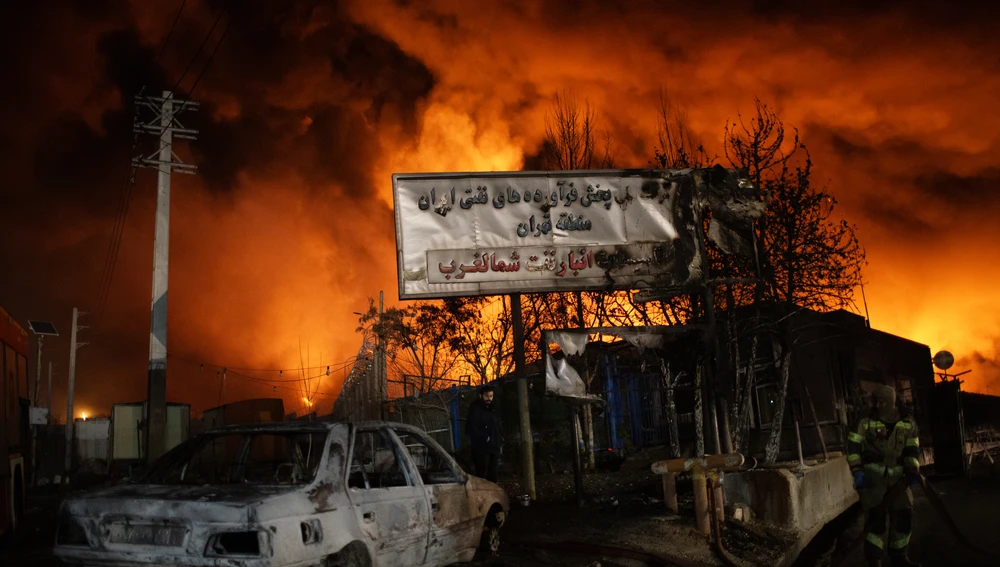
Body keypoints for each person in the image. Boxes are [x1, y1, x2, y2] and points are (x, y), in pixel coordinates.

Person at [847, 383, 922, 567]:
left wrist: (912, 467)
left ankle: (900, 557)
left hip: (899, 479)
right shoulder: (865, 419)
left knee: (904, 516)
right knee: (875, 521)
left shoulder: (907, 421)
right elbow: (853, 446)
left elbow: (912, 447)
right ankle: (875, 560)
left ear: (891, 402)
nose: (878, 406)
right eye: (876, 402)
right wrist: (857, 472)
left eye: (882, 402)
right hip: (873, 478)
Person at [466, 385, 502, 482]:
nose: (489, 398)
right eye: (486, 396)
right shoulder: (476, 410)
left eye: (491, 396)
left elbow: (496, 426)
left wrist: (499, 439)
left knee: (493, 474)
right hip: (481, 448)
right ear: (481, 395)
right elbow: (471, 428)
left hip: (494, 447)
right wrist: (484, 437)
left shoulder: (493, 409)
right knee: (482, 473)